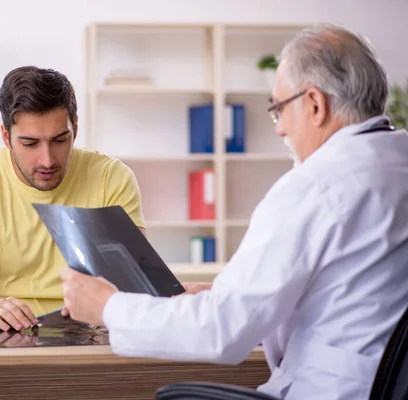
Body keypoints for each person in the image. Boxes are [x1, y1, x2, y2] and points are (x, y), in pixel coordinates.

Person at [60, 23, 408, 400]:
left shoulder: (316, 185)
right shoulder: (396, 164)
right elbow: (352, 291)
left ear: (314, 104)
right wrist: (224, 292)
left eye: (278, 109)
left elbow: (222, 332)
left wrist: (108, 307)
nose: (279, 130)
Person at [0, 66, 145, 332]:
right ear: (6, 137)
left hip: (91, 334)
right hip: (2, 333)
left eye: (59, 140)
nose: (47, 160)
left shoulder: (112, 177)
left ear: (75, 129)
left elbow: (135, 282)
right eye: (30, 143)